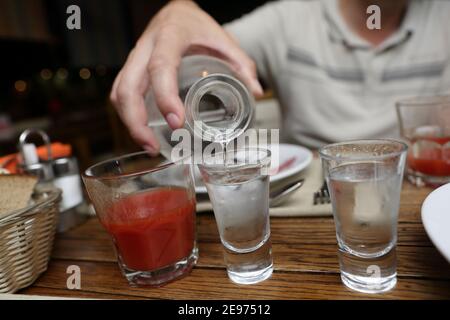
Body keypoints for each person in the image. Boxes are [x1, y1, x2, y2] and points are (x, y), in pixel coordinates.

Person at [110, 0, 450, 154]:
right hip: (299, 199)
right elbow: (198, 52)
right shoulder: (288, 19)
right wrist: (179, 10)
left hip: (417, 191)